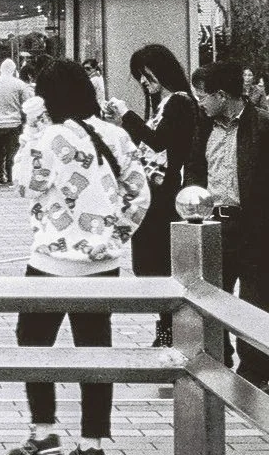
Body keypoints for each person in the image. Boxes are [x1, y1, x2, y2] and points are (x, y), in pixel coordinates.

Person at [7, 60, 150, 455]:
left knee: (33, 344)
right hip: (102, 267)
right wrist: (114, 239)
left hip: (50, 262)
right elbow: (139, 194)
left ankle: (43, 431)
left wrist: (30, 131)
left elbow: (24, 184)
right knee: (95, 351)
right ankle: (91, 445)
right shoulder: (116, 135)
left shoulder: (49, 137)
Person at [106, 44, 198, 347]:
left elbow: (159, 142)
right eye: (140, 78)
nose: (144, 83)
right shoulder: (164, 104)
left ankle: (169, 329)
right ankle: (166, 327)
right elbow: (148, 144)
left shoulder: (180, 103)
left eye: (147, 75)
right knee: (150, 264)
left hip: (165, 197)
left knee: (158, 264)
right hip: (154, 194)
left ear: (163, 71)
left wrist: (127, 115)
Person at [186, 62, 269, 387]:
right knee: (211, 296)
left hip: (253, 227)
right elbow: (194, 165)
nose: (200, 102)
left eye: (203, 96)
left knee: (255, 300)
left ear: (222, 95)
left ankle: (255, 372)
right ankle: (216, 363)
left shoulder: (262, 125)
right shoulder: (204, 124)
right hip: (212, 225)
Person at [0, 58, 31, 187]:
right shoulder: (19, 84)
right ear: (14, 70)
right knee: (13, 153)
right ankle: (11, 180)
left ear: (0, 69)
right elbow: (26, 103)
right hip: (14, 123)